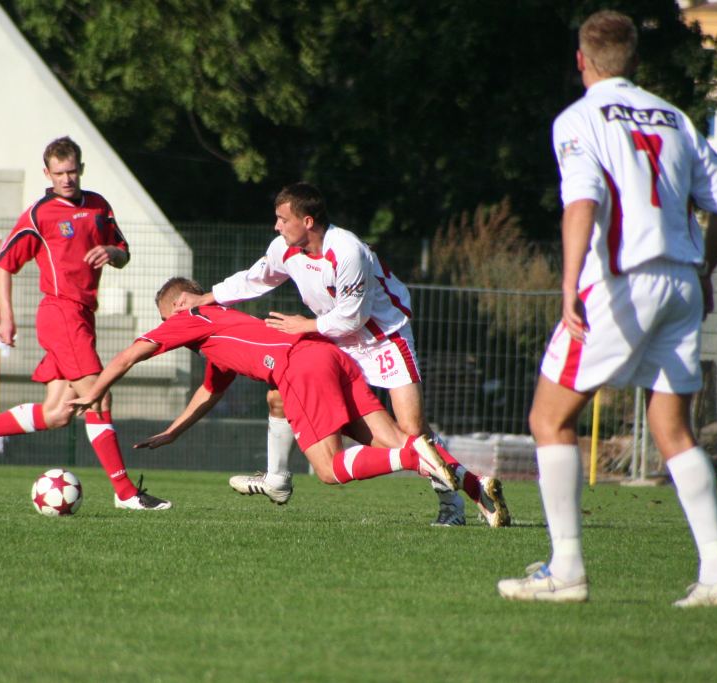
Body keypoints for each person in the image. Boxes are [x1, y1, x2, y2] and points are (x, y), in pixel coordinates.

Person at [497, 10, 717, 607]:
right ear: (635, 62)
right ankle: (716, 575)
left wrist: (570, 285)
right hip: (682, 280)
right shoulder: (676, 117)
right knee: (672, 429)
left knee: (549, 418)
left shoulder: (579, 118)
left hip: (621, 282)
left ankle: (567, 569)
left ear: (582, 60)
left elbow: (582, 200)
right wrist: (704, 271)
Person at [173, 182, 509, 528]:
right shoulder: (282, 248)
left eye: (282, 219)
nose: (276, 226)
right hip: (335, 341)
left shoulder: (347, 250)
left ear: (307, 221)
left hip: (383, 339)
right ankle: (277, 478)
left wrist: (305, 325)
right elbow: (254, 279)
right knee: (279, 397)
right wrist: (206, 298)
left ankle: (458, 500)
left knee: (411, 430)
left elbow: (354, 317)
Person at [66, 277, 459, 499]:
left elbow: (127, 356)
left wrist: (94, 391)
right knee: (391, 439)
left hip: (302, 365)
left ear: (179, 303)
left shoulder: (193, 316)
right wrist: (173, 432)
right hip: (325, 356)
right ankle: (470, 486)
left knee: (329, 469)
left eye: (165, 317)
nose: (166, 326)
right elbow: (208, 394)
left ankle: (279, 478)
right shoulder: (219, 332)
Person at [0, 136, 170, 511]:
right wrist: (6, 317)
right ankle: (126, 493)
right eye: (58, 173)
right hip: (60, 313)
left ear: (81, 169)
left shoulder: (98, 206)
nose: (66, 179)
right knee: (99, 396)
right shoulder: (40, 214)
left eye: (71, 171)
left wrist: (113, 253)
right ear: (47, 173)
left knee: (57, 413)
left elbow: (124, 254)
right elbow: (3, 263)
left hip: (83, 314)